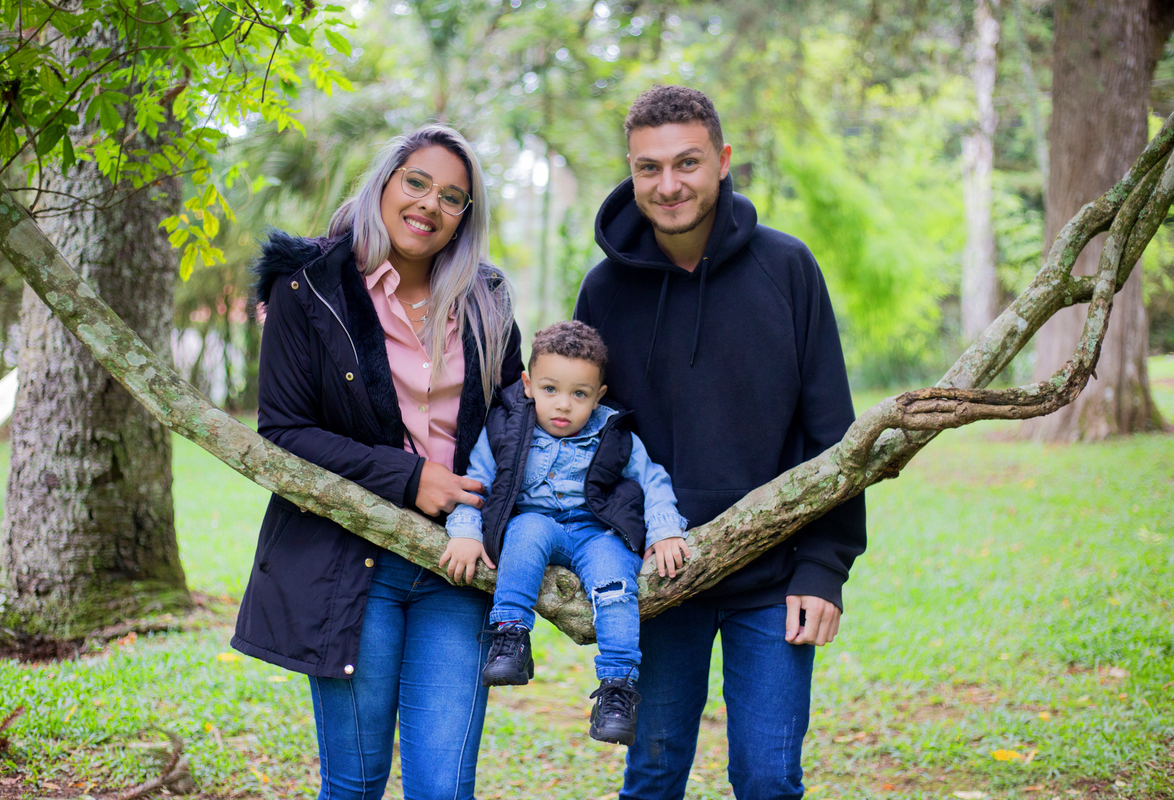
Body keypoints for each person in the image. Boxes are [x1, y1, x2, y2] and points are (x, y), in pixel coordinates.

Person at [574, 85, 867, 800]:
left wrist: (824, 567)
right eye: (649, 168)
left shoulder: (788, 269)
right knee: (651, 776)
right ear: (631, 170)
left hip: (773, 580)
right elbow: (586, 438)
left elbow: (833, 437)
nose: (668, 185)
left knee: (769, 778)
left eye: (687, 163)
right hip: (659, 578)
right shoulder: (604, 292)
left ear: (723, 160)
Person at [231, 124, 522, 800]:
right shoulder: (309, 285)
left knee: (444, 789)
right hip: (349, 567)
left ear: (464, 218)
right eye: (416, 182)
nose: (429, 204)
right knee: (355, 784)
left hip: (458, 565)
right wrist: (410, 477)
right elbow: (283, 430)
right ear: (385, 182)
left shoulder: (486, 296)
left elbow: (513, 417)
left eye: (453, 197)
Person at [441, 321, 688, 746]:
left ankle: (616, 688)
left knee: (615, 585)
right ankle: (510, 637)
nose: (563, 405)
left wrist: (665, 532)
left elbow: (654, 481)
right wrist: (465, 532)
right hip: (539, 527)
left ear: (599, 397)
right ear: (528, 384)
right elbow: (475, 482)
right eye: (551, 389)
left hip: (599, 534)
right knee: (525, 530)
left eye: (580, 394)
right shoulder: (506, 427)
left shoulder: (613, 433)